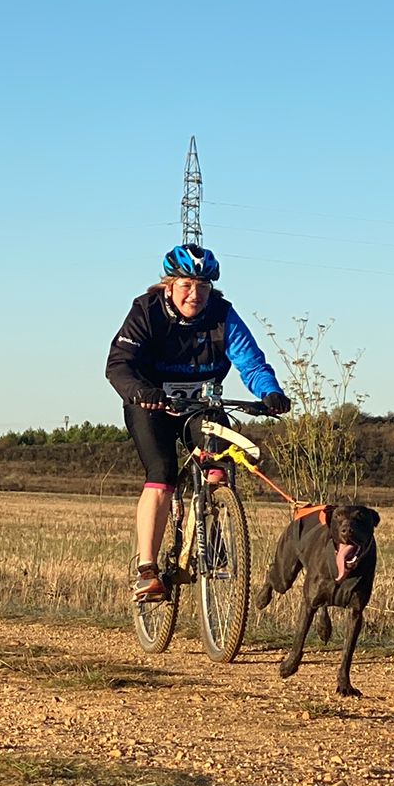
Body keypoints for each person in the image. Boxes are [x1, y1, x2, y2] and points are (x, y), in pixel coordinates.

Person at [106, 244, 290, 601]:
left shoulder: (223, 316)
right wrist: (141, 390)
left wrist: (270, 393)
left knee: (219, 461)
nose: (195, 294)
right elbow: (119, 364)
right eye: (187, 285)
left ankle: (213, 521)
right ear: (169, 285)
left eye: (203, 287)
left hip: (201, 405)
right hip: (151, 404)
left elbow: (250, 363)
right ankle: (147, 569)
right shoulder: (146, 312)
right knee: (160, 473)